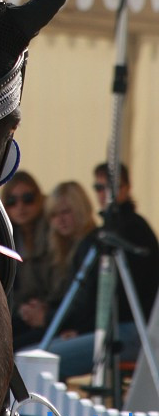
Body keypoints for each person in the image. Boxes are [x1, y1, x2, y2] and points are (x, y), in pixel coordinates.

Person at [27, 163, 159, 380]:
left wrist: (80, 328)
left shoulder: (129, 231)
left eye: (110, 187)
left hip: (132, 333)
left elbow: (116, 297)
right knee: (32, 356)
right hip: (114, 329)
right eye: (98, 188)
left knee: (38, 363)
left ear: (125, 188)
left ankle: (45, 412)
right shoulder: (109, 231)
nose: (103, 193)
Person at [13, 180, 96, 349]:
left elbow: (86, 305)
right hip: (64, 322)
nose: (60, 220)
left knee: (18, 352)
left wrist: (46, 316)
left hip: (79, 327)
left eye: (66, 212)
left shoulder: (90, 245)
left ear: (81, 210)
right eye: (53, 215)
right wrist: (42, 308)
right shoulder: (64, 249)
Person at [1, 171, 51, 341]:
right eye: (12, 201)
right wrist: (21, 310)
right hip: (18, 314)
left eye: (28, 198)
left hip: (50, 315)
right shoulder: (3, 238)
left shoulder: (53, 233)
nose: (20, 206)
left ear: (40, 199)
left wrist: (45, 309)